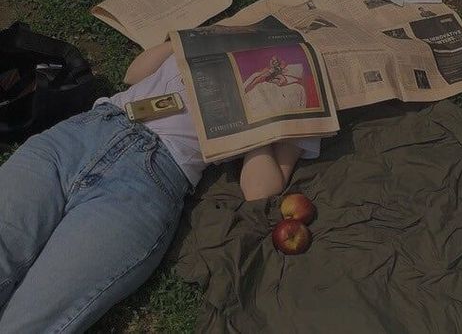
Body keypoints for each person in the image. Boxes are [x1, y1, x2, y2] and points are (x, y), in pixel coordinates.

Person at [0, 41, 320, 333]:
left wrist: (256, 125)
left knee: (31, 318)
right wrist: (181, 41)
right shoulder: (221, 41)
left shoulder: (298, 95)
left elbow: (260, 190)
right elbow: (132, 75)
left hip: (143, 186)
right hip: (80, 136)